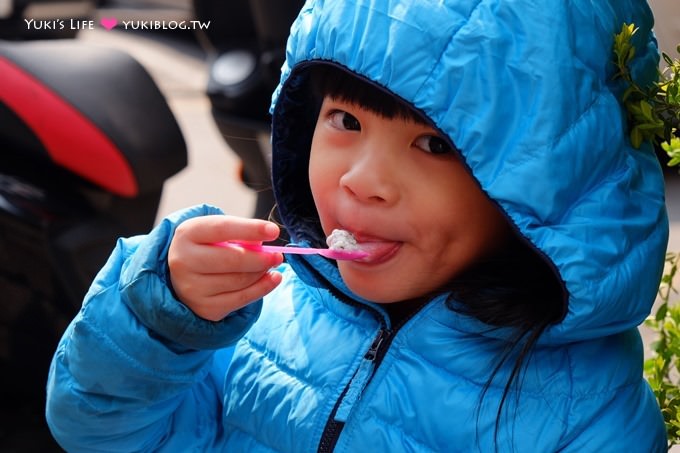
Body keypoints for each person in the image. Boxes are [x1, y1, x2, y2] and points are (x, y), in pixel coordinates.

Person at [46, 0, 669, 451]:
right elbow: (97, 431)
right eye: (345, 121)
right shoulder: (258, 319)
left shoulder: (586, 416)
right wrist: (155, 319)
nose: (361, 180)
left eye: (432, 144)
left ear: (546, 187)